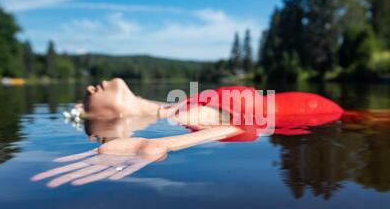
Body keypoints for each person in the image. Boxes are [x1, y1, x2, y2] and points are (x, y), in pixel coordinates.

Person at [32, 78, 344, 187]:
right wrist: (164, 144)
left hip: (308, 108)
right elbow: (241, 124)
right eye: (86, 101)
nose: (89, 88)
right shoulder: (183, 115)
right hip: (310, 112)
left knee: (389, 118)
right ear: (111, 116)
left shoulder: (175, 109)